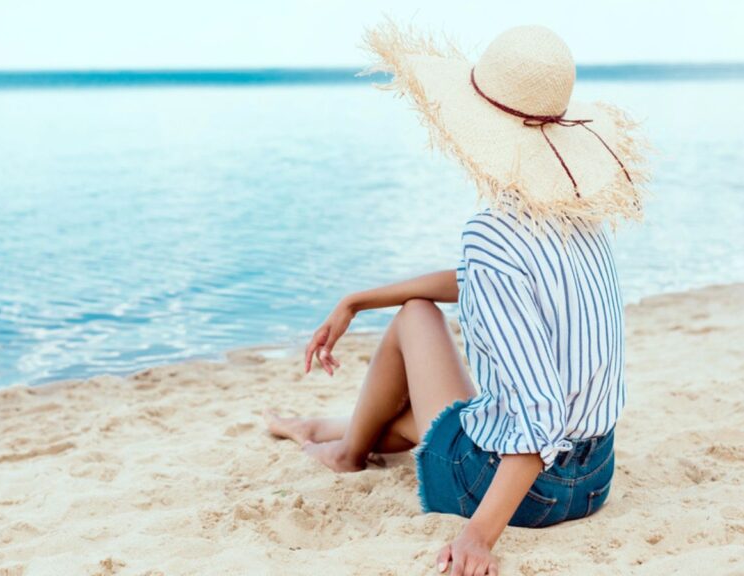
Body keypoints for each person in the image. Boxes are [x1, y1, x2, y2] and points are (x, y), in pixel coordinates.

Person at [265, 22, 648, 576]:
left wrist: (477, 538)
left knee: (417, 316)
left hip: (523, 490)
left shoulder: (492, 233)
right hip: (593, 480)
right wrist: (357, 300)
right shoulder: (580, 216)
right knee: (424, 400)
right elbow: (480, 277)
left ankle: (347, 451)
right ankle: (330, 427)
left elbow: (535, 418)